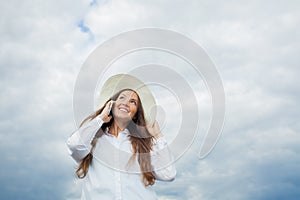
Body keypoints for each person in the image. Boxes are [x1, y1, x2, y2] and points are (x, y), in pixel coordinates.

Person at [67, 74, 176, 200]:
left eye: (132, 102)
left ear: (135, 114)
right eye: (122, 98)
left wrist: (157, 136)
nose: (126, 103)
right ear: (111, 104)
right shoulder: (92, 139)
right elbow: (74, 146)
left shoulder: (143, 146)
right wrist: (101, 118)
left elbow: (168, 174)